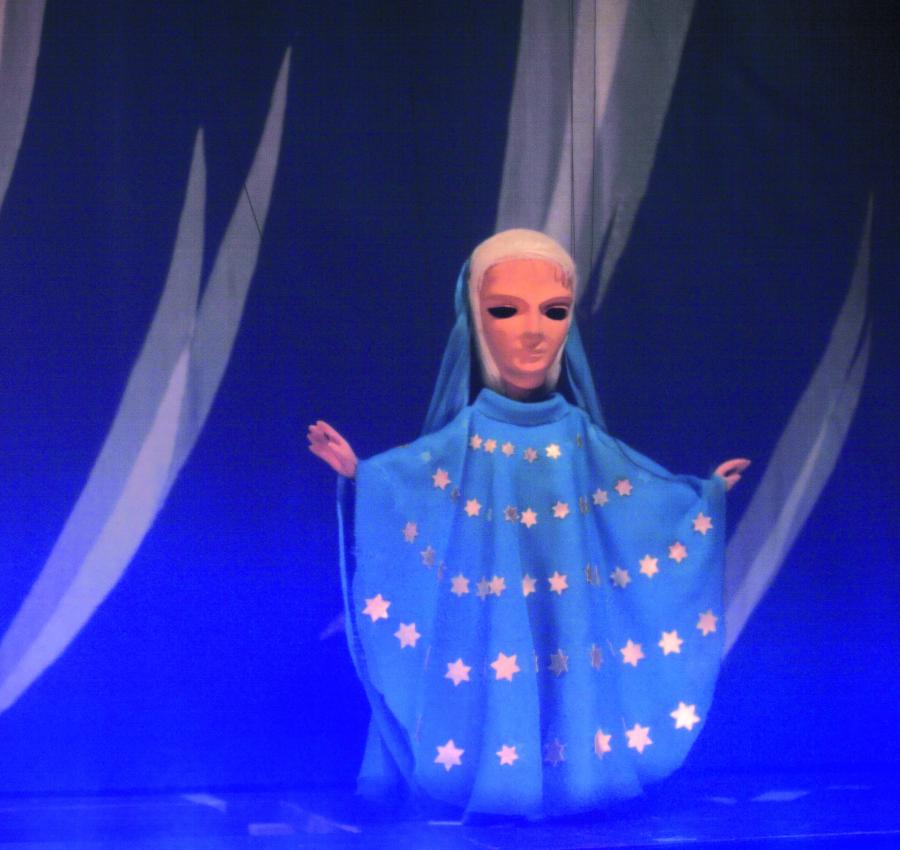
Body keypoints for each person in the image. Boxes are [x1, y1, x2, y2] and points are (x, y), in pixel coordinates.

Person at [308, 229, 749, 819]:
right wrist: (361, 476)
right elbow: (414, 485)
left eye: (554, 311)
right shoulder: (465, 440)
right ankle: (504, 778)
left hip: (573, 614)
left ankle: (577, 775)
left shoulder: (581, 439)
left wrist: (701, 499)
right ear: (475, 319)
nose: (533, 331)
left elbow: (637, 500)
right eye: (506, 310)